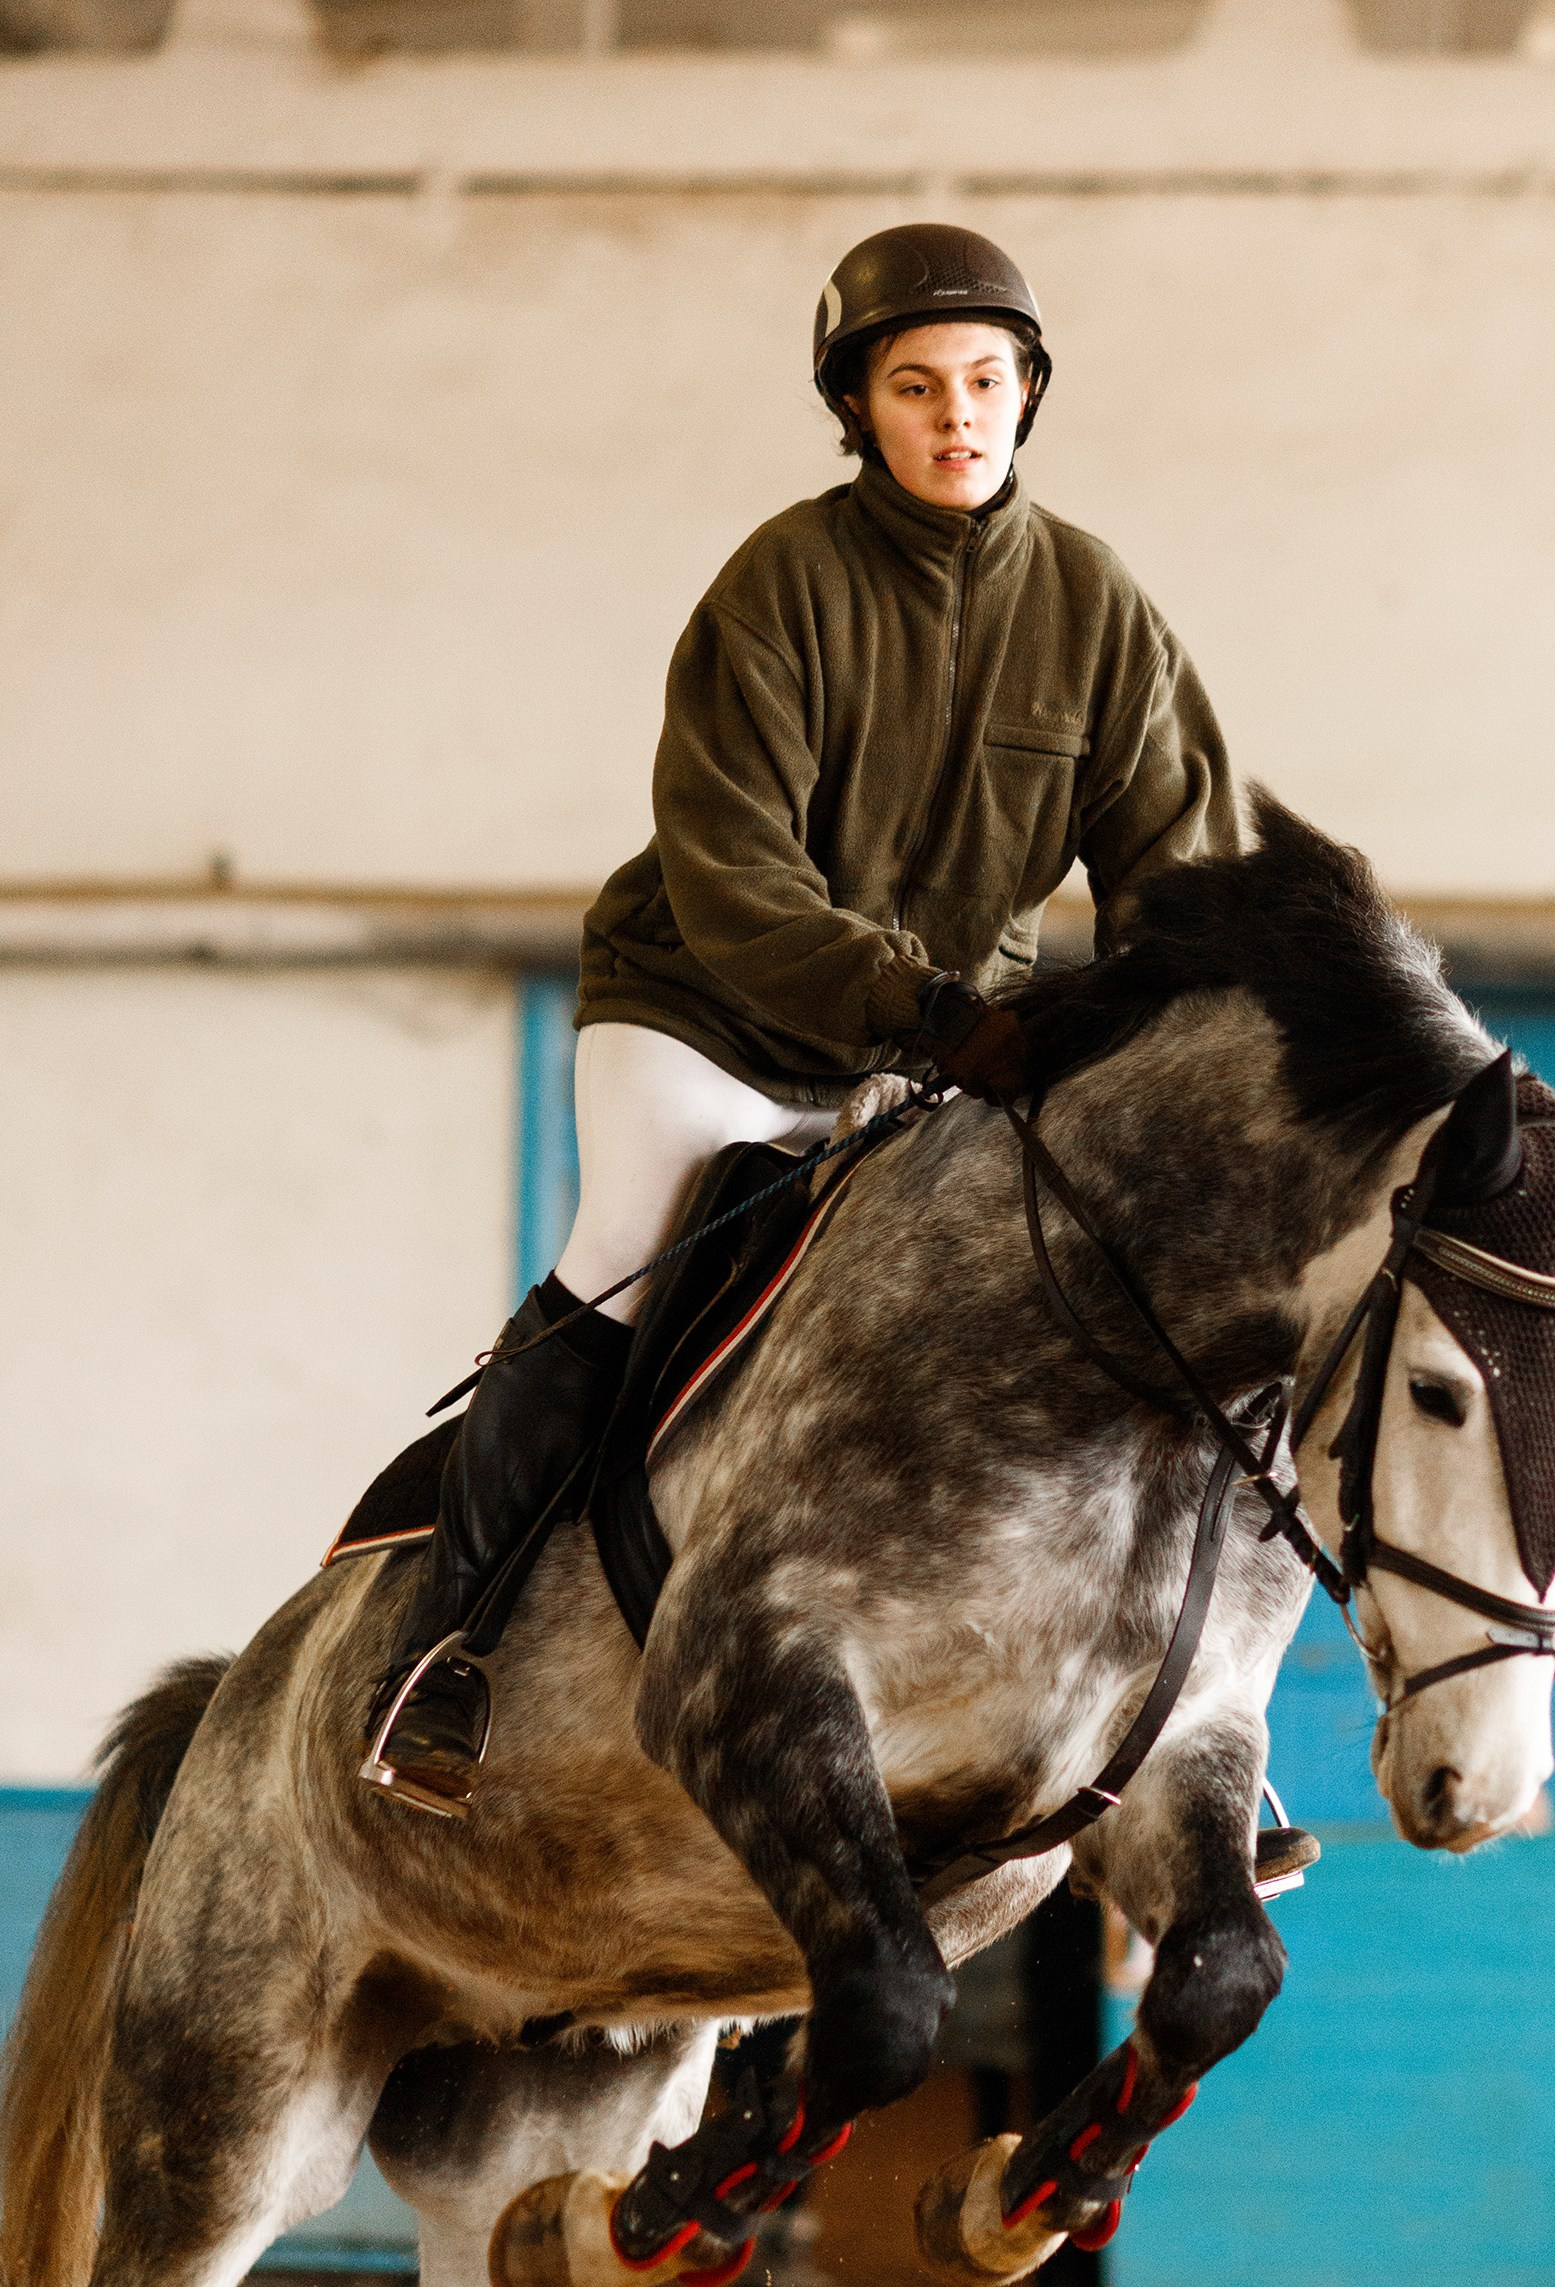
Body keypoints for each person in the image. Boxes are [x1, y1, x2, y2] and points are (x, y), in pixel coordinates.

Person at [364, 220, 1240, 1819]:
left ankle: (1179, 1743)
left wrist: (1159, 1040)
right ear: (860, 410)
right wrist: (932, 1012)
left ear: (1030, 396)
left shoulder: (1099, 605)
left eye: (987, 380)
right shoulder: (782, 583)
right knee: (619, 1265)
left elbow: (1179, 864)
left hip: (937, 1049)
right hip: (703, 1014)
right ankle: (449, 1653)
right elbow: (735, 873)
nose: (957, 413)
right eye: (917, 386)